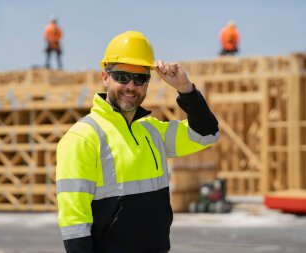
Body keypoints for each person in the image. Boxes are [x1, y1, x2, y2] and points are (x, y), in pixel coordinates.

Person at [56, 31, 219, 253]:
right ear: (105, 76)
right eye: (122, 76)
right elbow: (74, 223)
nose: (131, 86)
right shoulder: (82, 137)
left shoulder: (153, 131)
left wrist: (186, 90)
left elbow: (207, 134)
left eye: (140, 78)